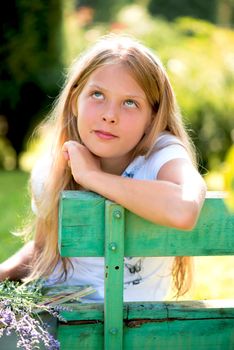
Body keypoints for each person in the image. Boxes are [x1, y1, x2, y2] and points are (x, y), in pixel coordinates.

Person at [0, 34, 206, 301]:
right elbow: (43, 251)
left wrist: (93, 177)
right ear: (75, 100)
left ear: (152, 117)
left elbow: (185, 207)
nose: (110, 115)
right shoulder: (53, 169)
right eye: (97, 95)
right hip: (58, 321)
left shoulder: (160, 154)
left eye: (130, 102)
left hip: (118, 330)